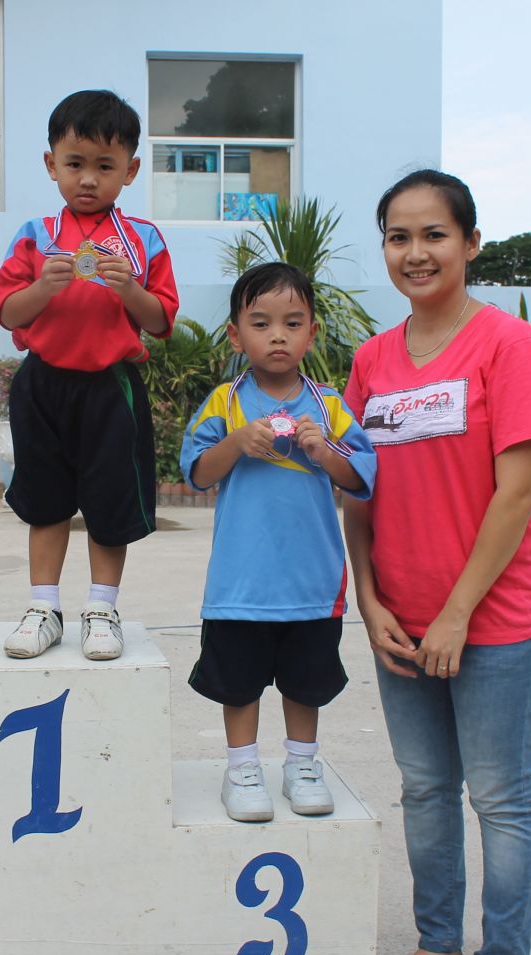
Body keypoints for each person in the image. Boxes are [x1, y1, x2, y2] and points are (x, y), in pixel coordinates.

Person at [341, 170, 531, 955]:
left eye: (434, 234)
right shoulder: (372, 360)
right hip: (401, 622)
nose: (416, 252)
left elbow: (518, 491)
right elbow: (356, 491)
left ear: (470, 243)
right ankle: (438, 947)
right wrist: (369, 602)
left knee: (499, 796)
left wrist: (460, 611)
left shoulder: (506, 345)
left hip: (493, 623)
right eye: (399, 236)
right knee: (426, 788)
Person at [179, 262, 375, 822]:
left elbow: (360, 477)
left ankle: (302, 766)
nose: (278, 336)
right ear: (236, 335)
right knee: (238, 684)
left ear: (312, 333)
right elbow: (196, 473)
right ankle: (242, 769)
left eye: (293, 323)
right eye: (261, 323)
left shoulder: (329, 405)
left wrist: (323, 451)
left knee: (306, 682)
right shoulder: (225, 403)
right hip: (240, 584)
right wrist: (236, 442)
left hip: (312, 583)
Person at [0, 89, 178, 661]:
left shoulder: (143, 239)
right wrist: (43, 287)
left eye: (106, 165)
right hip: (43, 384)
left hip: (110, 387)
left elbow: (161, 321)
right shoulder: (36, 233)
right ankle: (43, 607)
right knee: (45, 501)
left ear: (131, 170)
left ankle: (102, 609)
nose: (89, 179)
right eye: (75, 163)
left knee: (108, 503)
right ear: (51, 164)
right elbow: (9, 313)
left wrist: (130, 289)